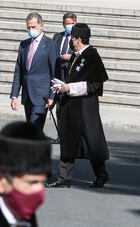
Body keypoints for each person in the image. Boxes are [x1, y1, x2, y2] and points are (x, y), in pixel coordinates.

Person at [47, 23, 110, 188]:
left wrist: (69, 88)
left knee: (91, 142)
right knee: (68, 140)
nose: (71, 40)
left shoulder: (92, 55)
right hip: (71, 106)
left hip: (85, 108)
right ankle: (64, 177)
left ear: (78, 39)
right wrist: (62, 85)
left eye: (73, 38)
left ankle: (101, 175)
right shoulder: (76, 55)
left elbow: (95, 84)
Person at [10, 12, 58, 133]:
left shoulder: (50, 45)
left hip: (42, 96)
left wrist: (52, 97)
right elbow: (19, 71)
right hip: (27, 95)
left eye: (33, 27)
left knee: (34, 130)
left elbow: (55, 73)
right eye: (29, 27)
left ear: (41, 26)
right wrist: (14, 95)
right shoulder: (24, 45)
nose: (31, 30)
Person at [51, 12, 77, 144]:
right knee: (59, 109)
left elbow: (82, 56)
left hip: (72, 77)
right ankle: (61, 136)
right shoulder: (57, 37)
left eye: (70, 24)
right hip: (59, 76)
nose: (68, 26)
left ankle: (71, 137)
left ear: (75, 23)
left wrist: (70, 57)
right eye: (66, 24)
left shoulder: (78, 38)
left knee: (71, 110)